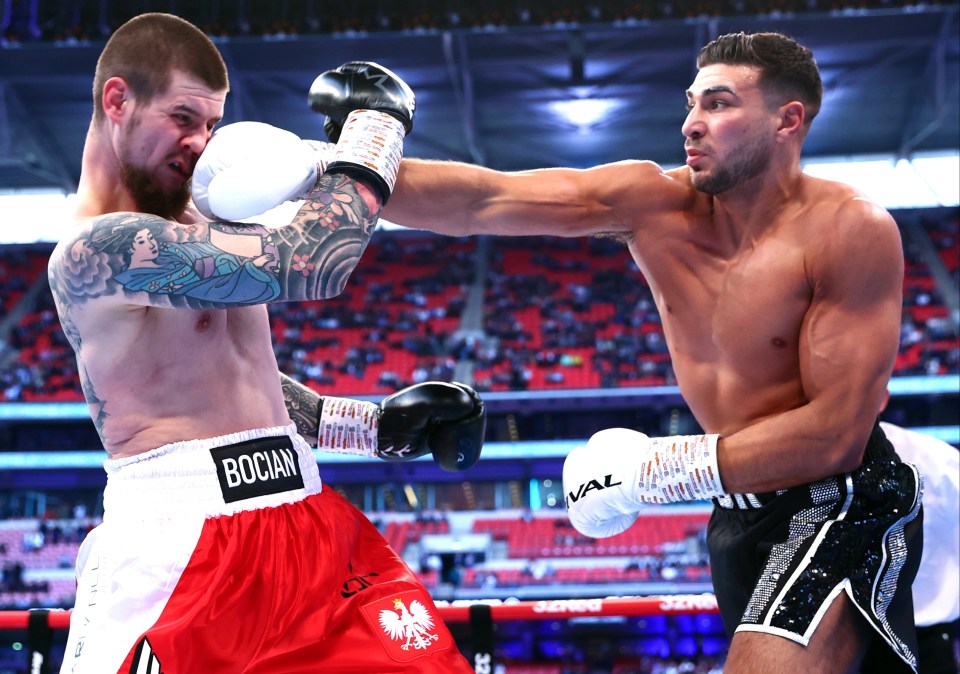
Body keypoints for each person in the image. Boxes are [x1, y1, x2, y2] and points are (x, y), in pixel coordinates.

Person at [322, 31, 923, 674]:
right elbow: (483, 199)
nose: (691, 124)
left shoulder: (848, 229)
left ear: (788, 119)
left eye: (718, 104)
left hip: (840, 500)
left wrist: (650, 472)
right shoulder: (653, 204)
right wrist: (331, 160)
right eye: (691, 104)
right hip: (734, 510)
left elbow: (835, 438)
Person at [47, 13, 483, 674]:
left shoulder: (208, 214)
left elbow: (232, 380)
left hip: (303, 517)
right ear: (118, 100)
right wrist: (375, 127)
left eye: (213, 124)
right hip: (179, 549)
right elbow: (312, 263)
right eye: (184, 117)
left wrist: (372, 429)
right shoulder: (95, 251)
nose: (200, 143)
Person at [860, 394, 959, 674]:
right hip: (833, 638)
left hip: (923, 636)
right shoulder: (808, 458)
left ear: (882, 399)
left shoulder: (940, 461)